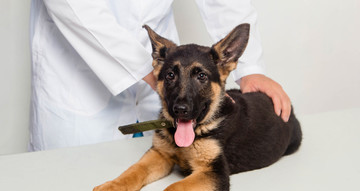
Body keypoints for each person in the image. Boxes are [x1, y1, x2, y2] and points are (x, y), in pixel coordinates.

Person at [29, 0, 291, 151]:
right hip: (80, 89)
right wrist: (161, 76)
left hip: (165, 87)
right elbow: (76, 7)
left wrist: (250, 68)